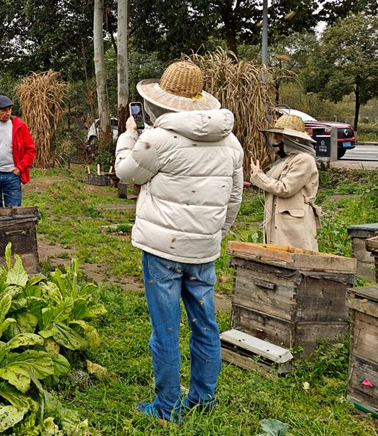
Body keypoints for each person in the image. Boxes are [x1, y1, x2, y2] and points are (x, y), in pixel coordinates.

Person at [115, 61, 243, 422]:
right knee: (205, 324)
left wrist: (128, 136)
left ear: (163, 100)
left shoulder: (158, 139)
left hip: (162, 249)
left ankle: (167, 407)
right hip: (203, 249)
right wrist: (215, 233)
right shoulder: (230, 141)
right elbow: (234, 198)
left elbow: (126, 173)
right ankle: (203, 399)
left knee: (166, 329)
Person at [250, 113, 320, 251]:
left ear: (292, 139)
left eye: (279, 136)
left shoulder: (304, 159)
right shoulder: (285, 160)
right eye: (274, 136)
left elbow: (285, 188)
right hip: (279, 222)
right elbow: (271, 183)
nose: (275, 140)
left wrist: (259, 176)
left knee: (298, 261)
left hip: (294, 226)